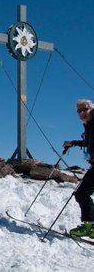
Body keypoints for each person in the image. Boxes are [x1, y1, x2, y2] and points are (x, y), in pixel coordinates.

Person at [63, 99, 94, 237]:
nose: (82, 113)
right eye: (79, 111)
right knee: (83, 192)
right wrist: (73, 143)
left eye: (85, 109)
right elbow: (89, 142)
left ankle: (89, 226)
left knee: (82, 193)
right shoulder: (88, 125)